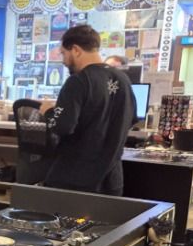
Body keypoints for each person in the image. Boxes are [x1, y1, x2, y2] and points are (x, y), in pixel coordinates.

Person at [41, 25, 138, 195]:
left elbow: (62, 126)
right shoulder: (123, 79)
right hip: (111, 180)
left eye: (64, 53)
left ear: (76, 50)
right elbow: (131, 119)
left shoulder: (78, 81)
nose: (63, 61)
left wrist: (48, 112)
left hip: (75, 179)